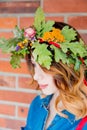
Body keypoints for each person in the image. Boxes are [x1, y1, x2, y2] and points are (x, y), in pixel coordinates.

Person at [0, 7, 87, 130]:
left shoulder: (82, 116)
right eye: (35, 65)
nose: (36, 76)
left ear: (65, 66)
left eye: (44, 66)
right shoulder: (38, 104)